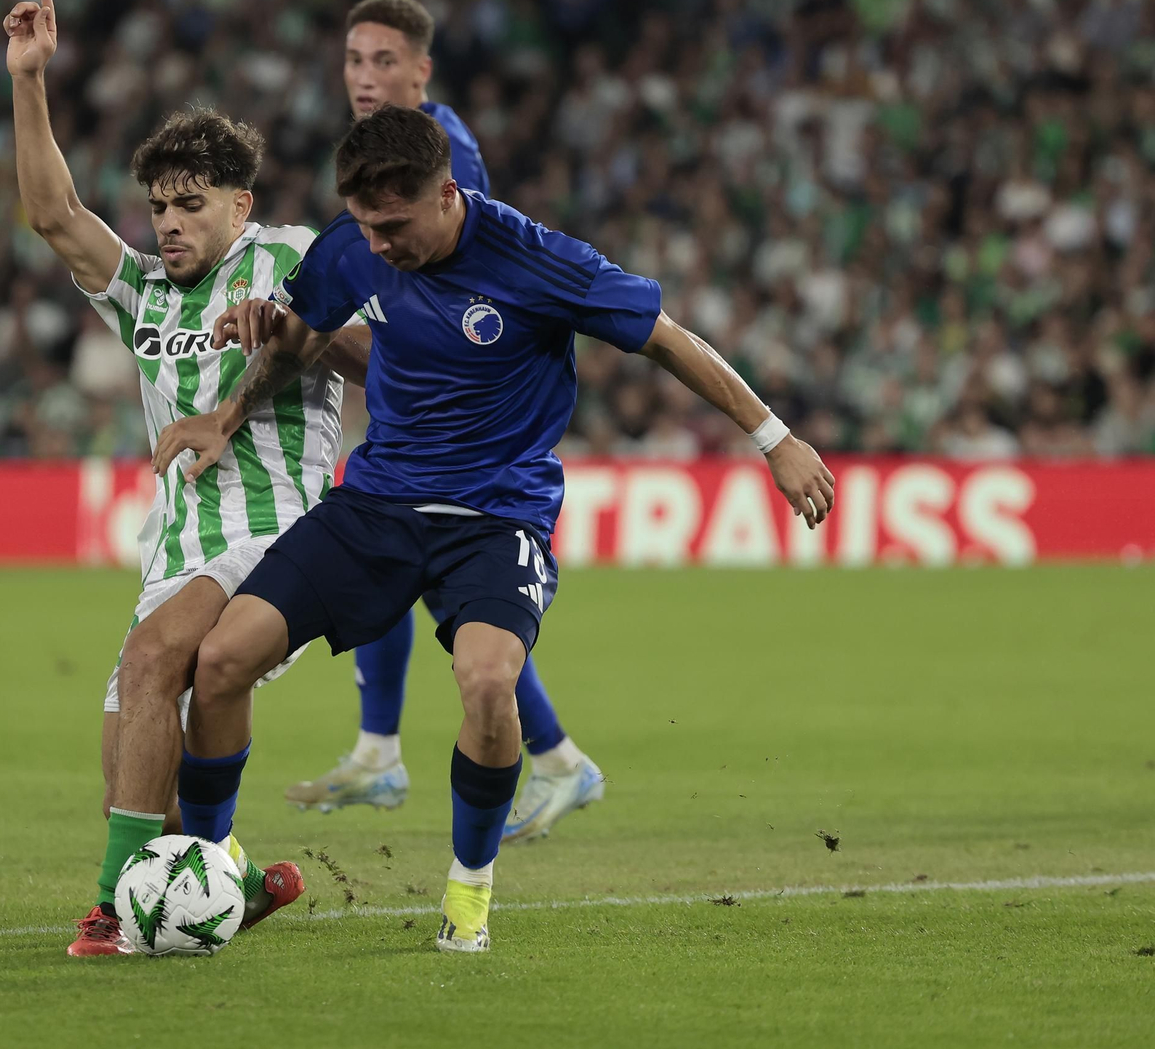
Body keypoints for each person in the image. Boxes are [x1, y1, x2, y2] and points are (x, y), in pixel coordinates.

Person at [153, 105, 834, 952]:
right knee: (219, 662)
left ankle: (469, 894)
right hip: (378, 504)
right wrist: (229, 410)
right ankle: (209, 877)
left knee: (485, 682)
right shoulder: (352, 242)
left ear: (447, 195)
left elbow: (667, 340)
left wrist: (775, 439)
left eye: (395, 226)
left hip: (496, 513)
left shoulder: (537, 258)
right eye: (367, 227)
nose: (380, 246)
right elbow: (301, 332)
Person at [5, 0, 364, 957]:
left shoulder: (291, 257)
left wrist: (296, 328)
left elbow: (383, 356)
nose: (166, 222)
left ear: (239, 204)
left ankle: (113, 905)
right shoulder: (142, 296)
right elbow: (54, 212)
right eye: (158, 205)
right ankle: (235, 879)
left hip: (278, 528)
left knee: (155, 660)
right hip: (178, 543)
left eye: (188, 204)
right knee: (132, 741)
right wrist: (29, 81)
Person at [282, 0, 604, 841]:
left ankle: (414, 753)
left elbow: (450, 292)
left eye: (384, 61)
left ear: (421, 70)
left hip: (461, 419)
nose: (364, 77)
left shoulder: (442, 150)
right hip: (419, 406)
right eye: (354, 60)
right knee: (423, 579)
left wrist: (311, 333)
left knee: (422, 567)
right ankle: (456, 753)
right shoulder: (386, 149)